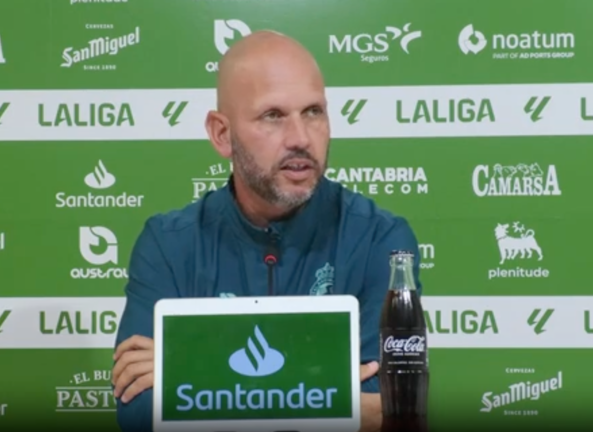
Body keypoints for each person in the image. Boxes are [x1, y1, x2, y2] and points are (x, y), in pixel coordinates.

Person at [111, 30, 423, 432]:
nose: (300, 138)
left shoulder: (382, 240)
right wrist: (330, 398)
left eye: (313, 112)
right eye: (273, 116)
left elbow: (391, 409)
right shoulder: (168, 244)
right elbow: (140, 412)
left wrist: (189, 371)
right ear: (222, 134)